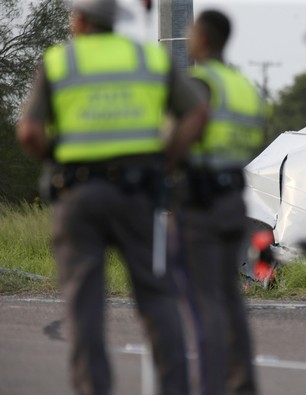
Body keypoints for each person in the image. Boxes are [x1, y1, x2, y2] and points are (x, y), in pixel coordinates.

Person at [17, 0, 207, 394]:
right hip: (138, 193)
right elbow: (197, 112)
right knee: (157, 298)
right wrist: (167, 158)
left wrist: (58, 157)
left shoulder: (59, 62)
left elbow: (29, 133)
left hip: (79, 194)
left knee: (84, 307)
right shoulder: (149, 59)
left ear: (81, 20)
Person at [166, 9, 268, 395]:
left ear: (204, 37)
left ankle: (209, 386)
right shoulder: (242, 85)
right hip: (233, 201)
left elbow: (180, 135)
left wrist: (161, 162)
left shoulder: (201, 83)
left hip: (200, 204)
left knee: (201, 300)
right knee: (228, 298)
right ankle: (242, 384)